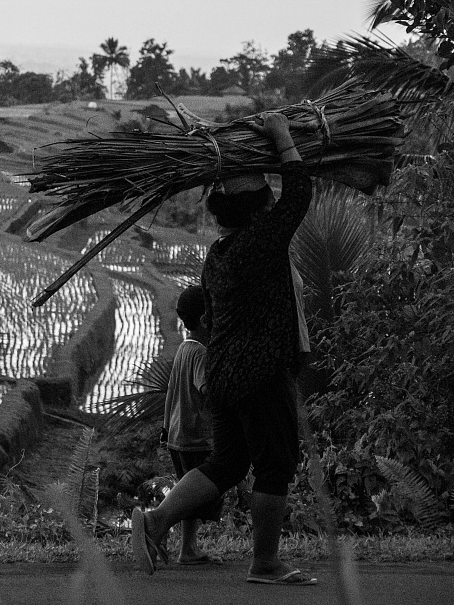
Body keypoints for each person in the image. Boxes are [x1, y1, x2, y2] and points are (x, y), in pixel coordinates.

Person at [131, 112, 318, 587]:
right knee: (275, 464)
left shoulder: (219, 255)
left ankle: (156, 521)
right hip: (259, 371)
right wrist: (282, 138)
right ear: (258, 206)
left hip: (224, 374)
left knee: (229, 462)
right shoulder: (260, 244)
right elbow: (300, 193)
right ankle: (265, 563)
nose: (273, 201)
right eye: (266, 197)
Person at [161, 284, 222, 566]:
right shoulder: (200, 354)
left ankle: (188, 548)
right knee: (196, 494)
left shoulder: (185, 350)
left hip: (176, 434)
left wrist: (165, 428)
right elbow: (206, 389)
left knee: (188, 495)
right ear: (207, 320)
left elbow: (172, 392)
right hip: (195, 437)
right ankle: (158, 529)